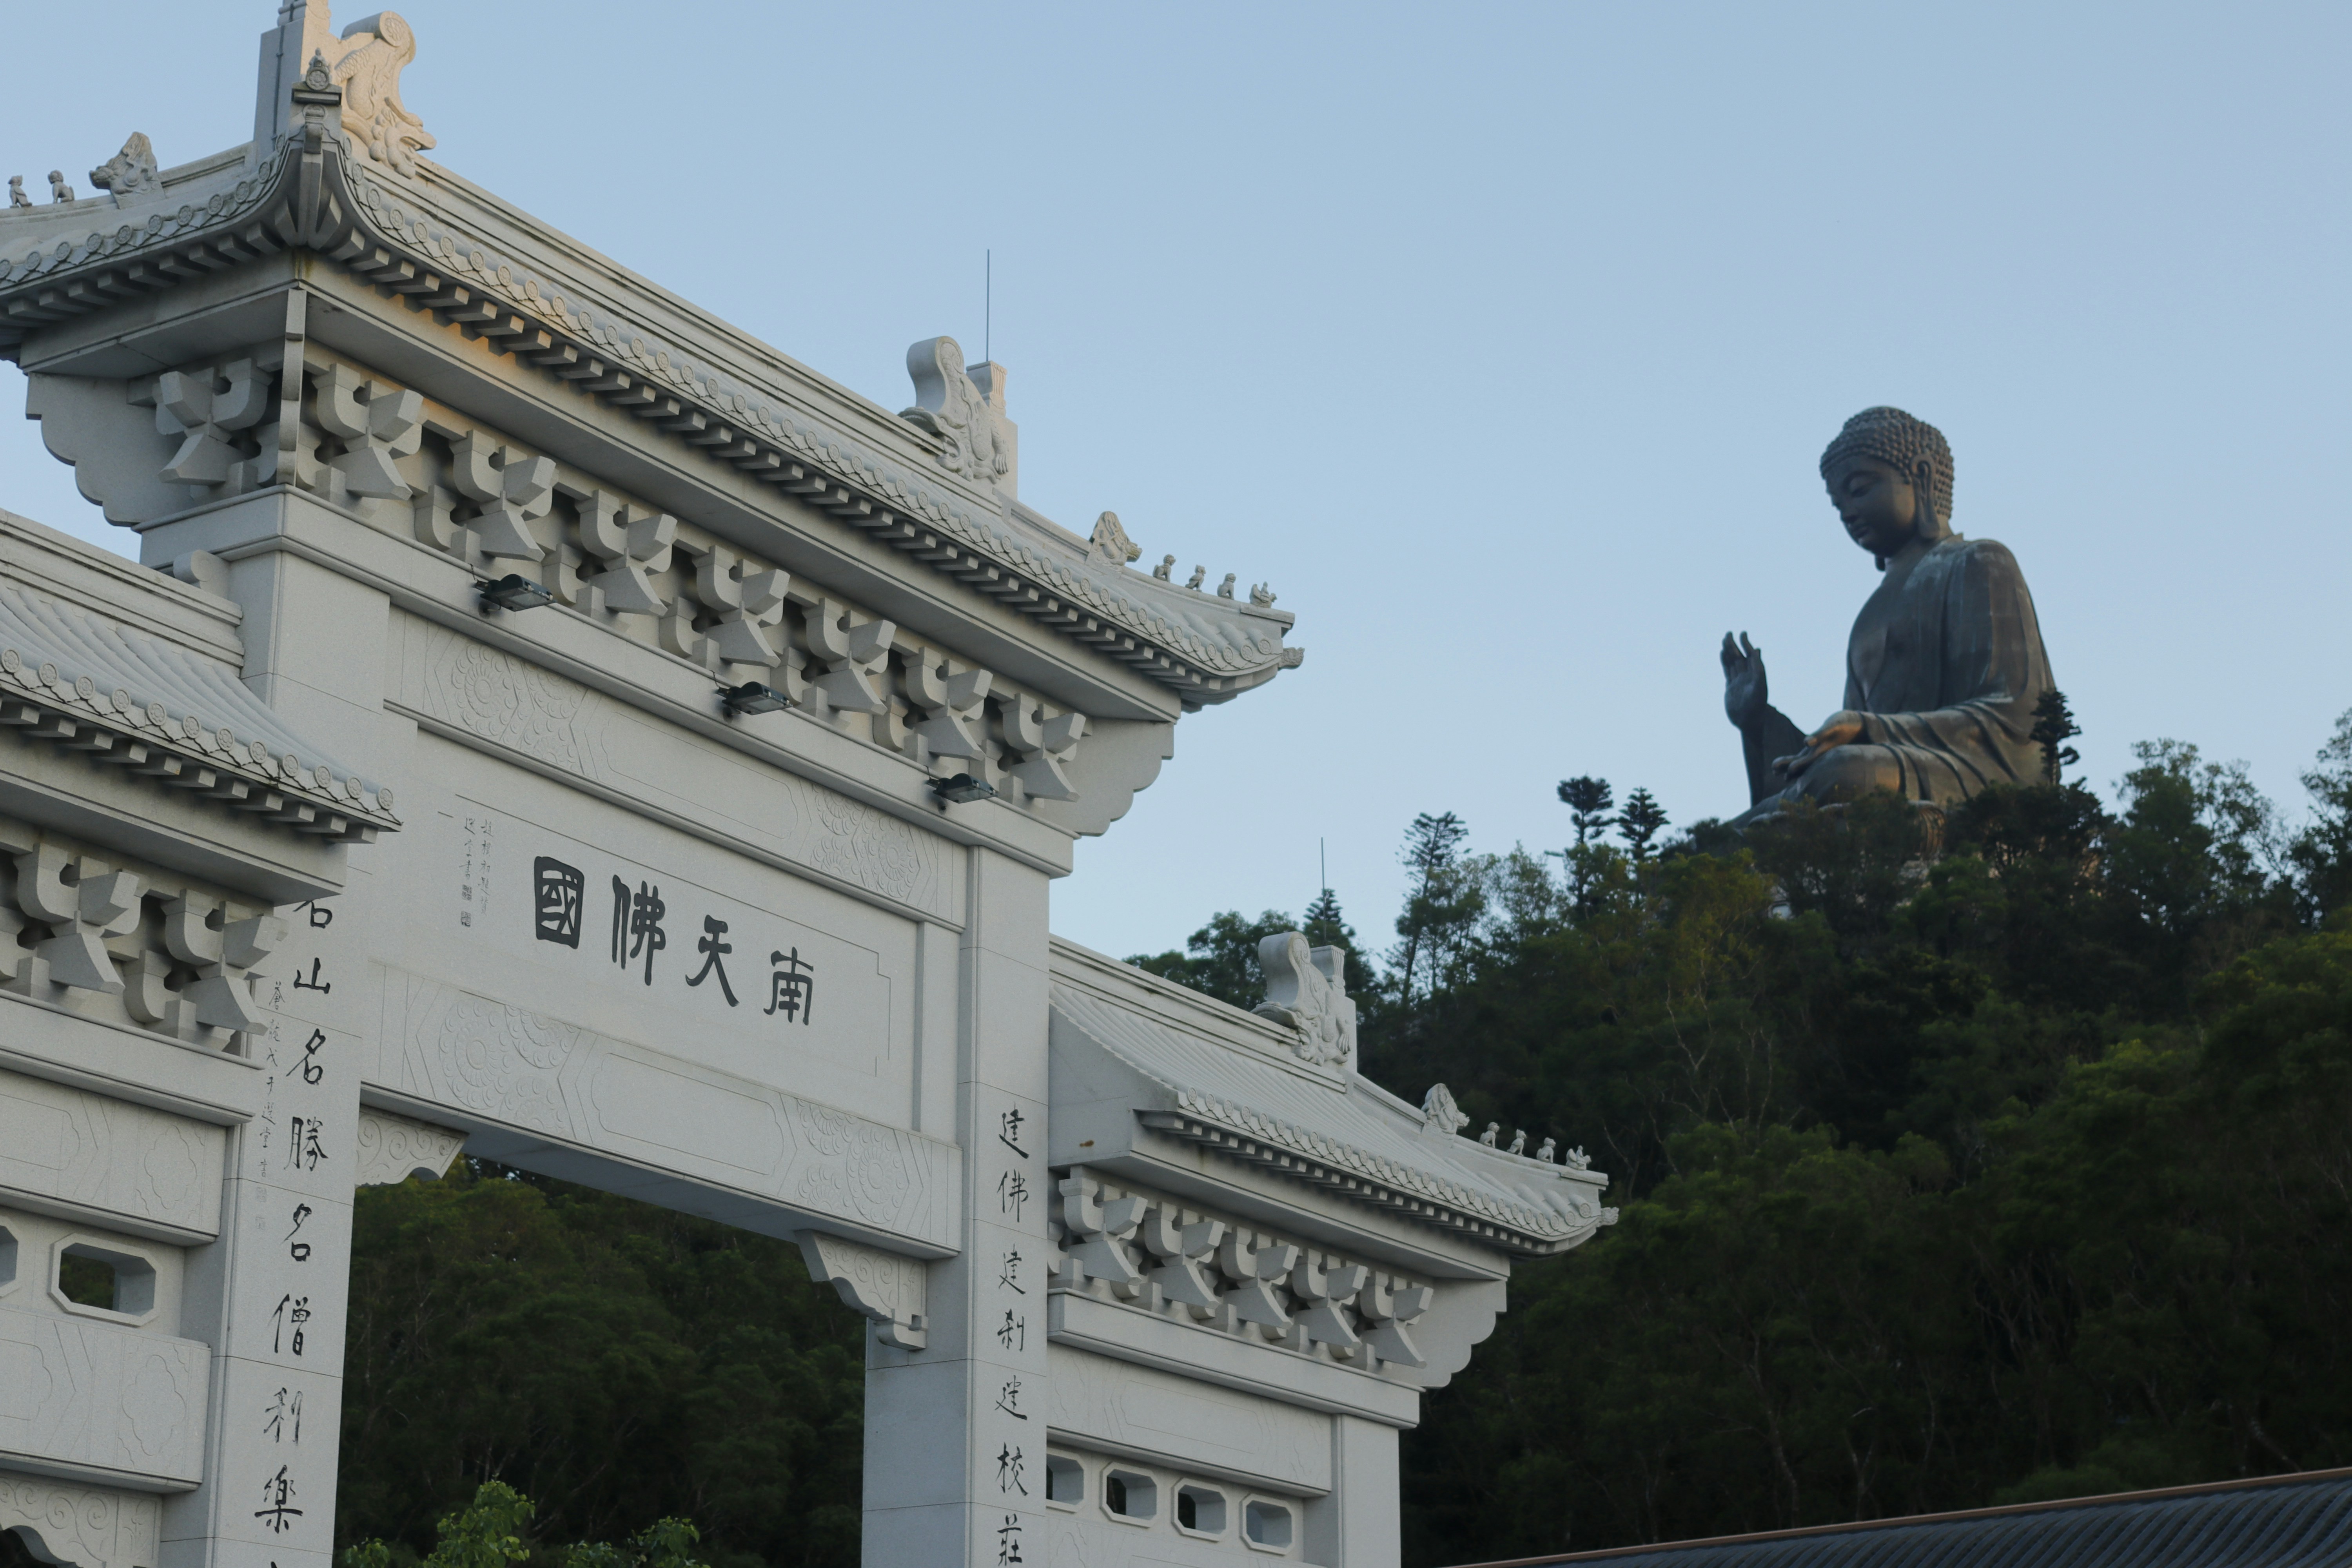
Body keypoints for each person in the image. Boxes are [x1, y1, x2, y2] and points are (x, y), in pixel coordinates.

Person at [1721, 407, 2054, 826]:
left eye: (1859, 489)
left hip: (1974, 774)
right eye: (1837, 504)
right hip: (1888, 764)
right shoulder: (1870, 612)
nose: (1847, 512)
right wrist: (1756, 721)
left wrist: (1869, 728)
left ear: (1920, 475)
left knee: (1847, 773)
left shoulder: (1980, 562)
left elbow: (2016, 715)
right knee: (1715, 840)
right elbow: (1837, 745)